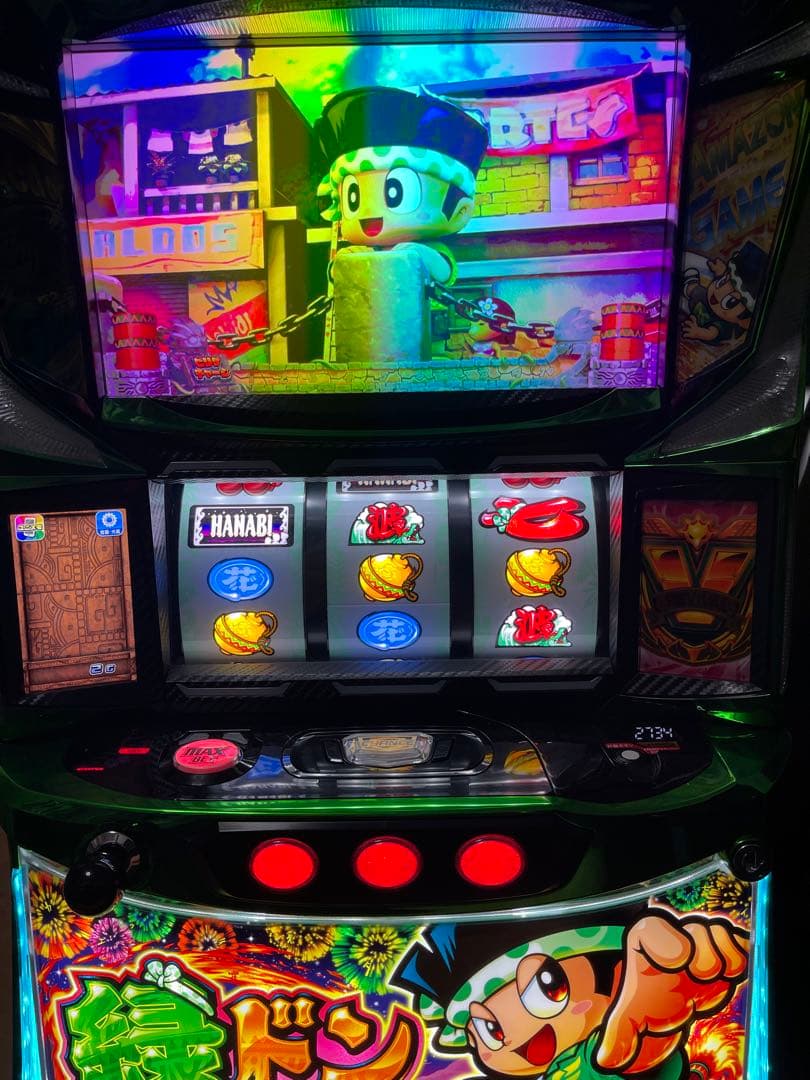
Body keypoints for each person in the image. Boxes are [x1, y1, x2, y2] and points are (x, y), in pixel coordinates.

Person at [392, 903, 748, 1078]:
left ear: (616, 977)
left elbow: (630, 1054)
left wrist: (653, 1006)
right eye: (487, 1031)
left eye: (547, 987)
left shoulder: (597, 1053)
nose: (507, 1039)